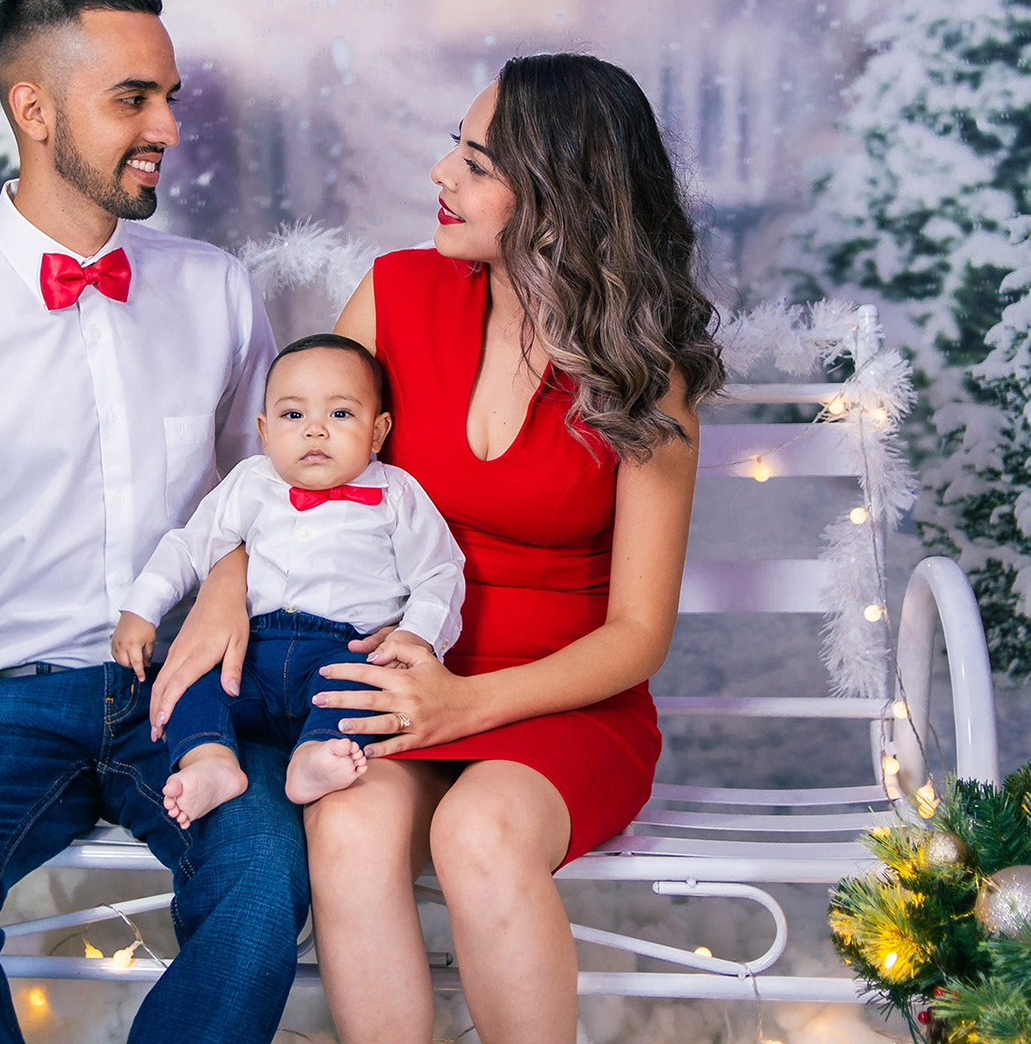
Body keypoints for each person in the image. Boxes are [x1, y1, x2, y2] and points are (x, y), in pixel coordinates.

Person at [153, 52, 725, 1044]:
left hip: (561, 700)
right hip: (389, 675)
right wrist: (224, 580)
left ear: (557, 199)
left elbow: (638, 634)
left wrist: (469, 702)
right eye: (454, 148)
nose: (441, 175)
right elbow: (291, 476)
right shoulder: (396, 293)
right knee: (347, 822)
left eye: (477, 163)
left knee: (480, 831)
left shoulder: (644, 375)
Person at [0, 0, 307, 1044]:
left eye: (169, 96)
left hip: (187, 694)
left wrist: (231, 593)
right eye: (133, 98)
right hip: (9, 699)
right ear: (32, 110)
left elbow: (269, 501)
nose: (167, 127)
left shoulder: (217, 288)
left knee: (265, 878)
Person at [111, 333, 465, 827]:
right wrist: (141, 608)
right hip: (254, 652)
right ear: (265, 430)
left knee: (366, 691)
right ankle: (211, 761)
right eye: (293, 415)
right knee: (189, 683)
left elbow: (439, 572)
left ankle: (313, 758)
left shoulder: (396, 494)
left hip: (345, 650)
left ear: (377, 431)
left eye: (340, 413)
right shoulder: (251, 482)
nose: (315, 430)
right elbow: (190, 544)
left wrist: (416, 636)